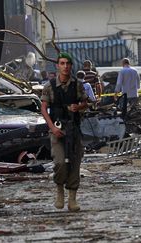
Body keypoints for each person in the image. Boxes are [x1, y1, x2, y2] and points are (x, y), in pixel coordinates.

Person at [40, 52, 88, 212]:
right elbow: (43, 108)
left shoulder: (78, 85)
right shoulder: (50, 86)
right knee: (60, 162)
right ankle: (60, 189)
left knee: (75, 163)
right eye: (62, 63)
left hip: (74, 130)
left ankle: (72, 199)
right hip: (57, 130)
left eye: (68, 63)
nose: (65, 66)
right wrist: (52, 128)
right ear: (57, 66)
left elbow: (85, 102)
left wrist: (78, 107)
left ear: (71, 66)